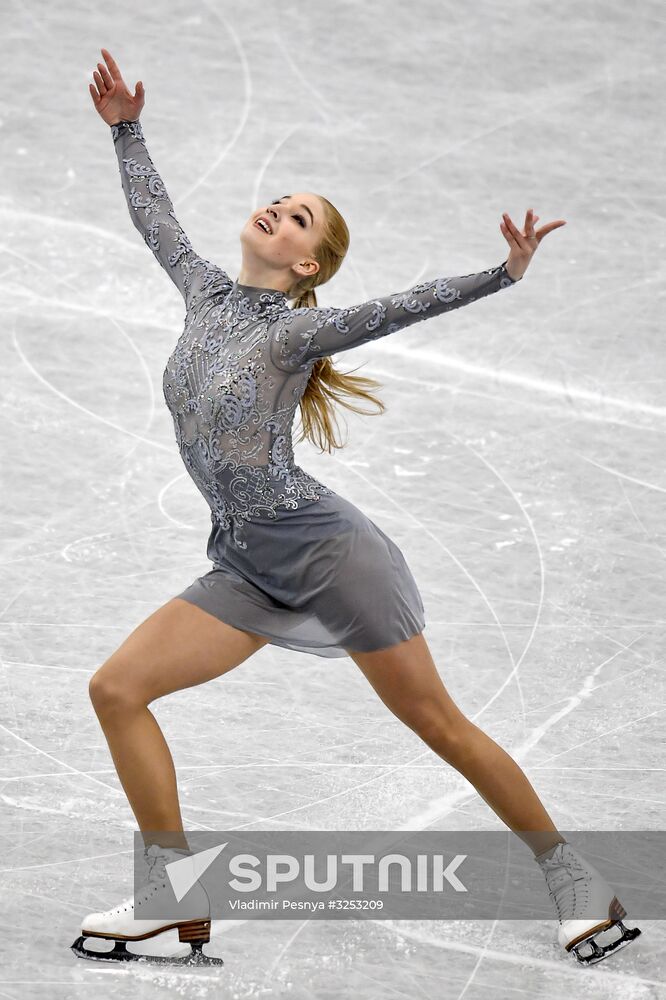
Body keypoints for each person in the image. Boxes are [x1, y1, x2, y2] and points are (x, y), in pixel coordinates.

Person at [71, 47, 641, 967]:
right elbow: (156, 222)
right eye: (282, 200)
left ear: (308, 263)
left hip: (329, 552)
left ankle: (578, 883)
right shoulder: (206, 293)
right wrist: (126, 129)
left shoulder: (299, 325)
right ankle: (174, 897)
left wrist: (501, 274)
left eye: (301, 218)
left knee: (436, 724)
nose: (279, 211)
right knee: (118, 688)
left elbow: (396, 308)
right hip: (246, 556)